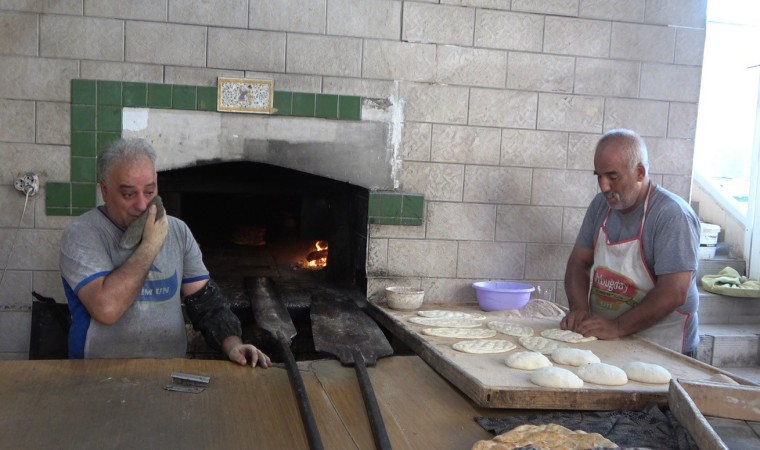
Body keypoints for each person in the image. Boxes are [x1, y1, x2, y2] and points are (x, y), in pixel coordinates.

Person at [59, 138, 271, 368]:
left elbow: (205, 301)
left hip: (168, 372)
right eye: (129, 194)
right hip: (97, 372)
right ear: (105, 190)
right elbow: (106, 309)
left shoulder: (178, 231)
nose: (142, 205)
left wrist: (233, 345)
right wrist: (150, 246)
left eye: (149, 191)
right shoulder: (82, 234)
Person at [561, 129, 701, 355]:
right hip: (612, 342)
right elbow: (578, 263)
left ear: (639, 172)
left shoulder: (671, 215)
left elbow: (674, 291)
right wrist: (579, 309)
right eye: (599, 176)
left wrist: (618, 326)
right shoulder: (600, 206)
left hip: (663, 350)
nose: (604, 186)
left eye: (612, 176)